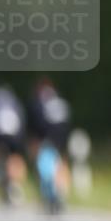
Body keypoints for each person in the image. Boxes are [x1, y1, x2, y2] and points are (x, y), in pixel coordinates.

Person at [27, 78, 72, 211]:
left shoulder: (40, 102)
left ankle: (51, 194)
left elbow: (37, 123)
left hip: (47, 137)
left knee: (45, 167)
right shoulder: (61, 102)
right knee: (60, 164)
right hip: (63, 135)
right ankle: (61, 191)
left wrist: (35, 142)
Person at [0, 85, 28, 205]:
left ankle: (4, 182)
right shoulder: (15, 104)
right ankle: (14, 183)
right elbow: (22, 123)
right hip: (15, 135)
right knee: (15, 158)